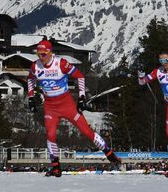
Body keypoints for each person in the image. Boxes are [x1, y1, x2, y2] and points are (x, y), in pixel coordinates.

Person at [27, 40, 120, 177]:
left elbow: (79, 76)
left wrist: (82, 97)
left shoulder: (61, 63)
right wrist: (30, 97)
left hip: (67, 105)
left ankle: (110, 155)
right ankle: (56, 167)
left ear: (50, 52)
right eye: (38, 54)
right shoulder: (36, 66)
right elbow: (30, 79)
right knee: (50, 135)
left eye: (43, 54)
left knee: (87, 132)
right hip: (50, 107)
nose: (41, 57)